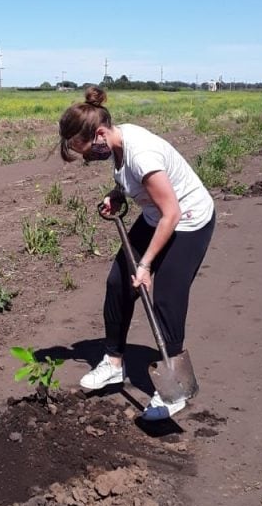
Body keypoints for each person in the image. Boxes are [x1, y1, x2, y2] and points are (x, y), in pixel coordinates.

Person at [58, 86, 215, 420]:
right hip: (157, 216)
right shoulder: (116, 145)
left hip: (187, 221)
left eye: (84, 150)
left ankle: (175, 389)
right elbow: (131, 183)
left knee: (166, 298)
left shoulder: (141, 153)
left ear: (99, 134)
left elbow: (171, 212)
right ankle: (114, 363)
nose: (85, 158)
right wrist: (117, 196)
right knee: (118, 284)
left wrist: (145, 264)